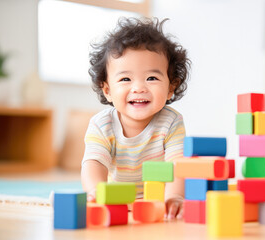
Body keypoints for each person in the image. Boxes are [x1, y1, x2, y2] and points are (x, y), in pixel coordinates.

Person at [81, 17, 190, 220]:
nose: (139, 87)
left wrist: (174, 196)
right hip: (118, 201)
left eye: (152, 78)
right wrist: (95, 191)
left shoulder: (171, 122)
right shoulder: (101, 125)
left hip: (158, 201)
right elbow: (94, 163)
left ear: (170, 87)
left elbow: (178, 164)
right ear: (108, 90)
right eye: (125, 79)